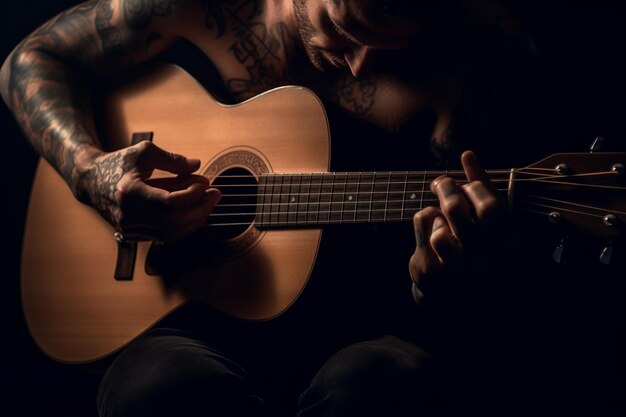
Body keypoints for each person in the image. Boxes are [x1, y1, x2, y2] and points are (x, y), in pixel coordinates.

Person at [1, 1, 537, 416]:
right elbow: (28, 60)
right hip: (184, 320)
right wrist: (92, 173)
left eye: (390, 47)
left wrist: (437, 279)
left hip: (359, 324)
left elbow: (476, 308)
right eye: (343, 29)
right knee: (157, 391)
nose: (358, 65)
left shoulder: (475, 60)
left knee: (389, 385)